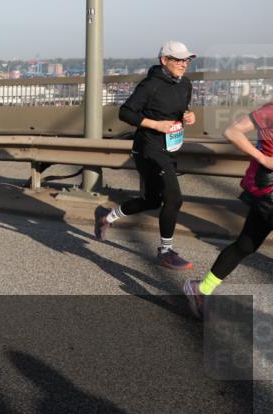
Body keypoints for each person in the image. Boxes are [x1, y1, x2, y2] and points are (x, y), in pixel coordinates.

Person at [95, 41, 197, 270]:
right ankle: (165, 251)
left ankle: (106, 217)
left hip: (169, 148)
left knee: (151, 200)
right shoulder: (150, 85)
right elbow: (125, 112)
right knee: (174, 199)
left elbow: (181, 109)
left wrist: (189, 116)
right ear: (164, 60)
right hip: (148, 148)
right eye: (178, 60)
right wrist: (155, 125)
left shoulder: (185, 84)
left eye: (186, 60)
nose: (183, 64)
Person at [184, 102, 273, 318]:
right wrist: (263, 158)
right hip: (269, 188)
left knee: (246, 244)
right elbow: (232, 131)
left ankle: (201, 289)